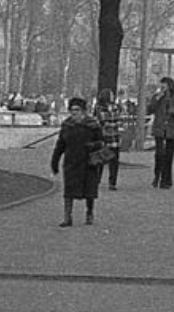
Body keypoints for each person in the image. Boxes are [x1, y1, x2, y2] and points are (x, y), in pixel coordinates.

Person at [50, 97, 103, 227]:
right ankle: (67, 217)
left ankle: (89, 212)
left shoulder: (93, 125)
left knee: (89, 190)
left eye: (77, 110)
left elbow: (101, 142)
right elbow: (60, 144)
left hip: (88, 162)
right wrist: (54, 161)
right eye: (72, 110)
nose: (74, 113)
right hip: (71, 162)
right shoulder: (67, 125)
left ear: (83, 111)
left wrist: (93, 145)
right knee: (69, 190)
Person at [147, 77, 174, 189]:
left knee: (169, 156)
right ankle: (157, 176)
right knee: (159, 154)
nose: (162, 88)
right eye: (161, 86)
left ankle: (167, 180)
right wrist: (157, 98)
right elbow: (150, 109)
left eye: (164, 86)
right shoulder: (157, 97)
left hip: (170, 129)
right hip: (159, 129)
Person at [92, 88, 122, 190]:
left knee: (114, 161)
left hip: (114, 137)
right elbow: (103, 121)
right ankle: (96, 180)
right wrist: (113, 123)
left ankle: (112, 182)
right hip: (104, 137)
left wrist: (111, 123)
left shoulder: (115, 107)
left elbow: (116, 119)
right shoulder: (99, 108)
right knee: (100, 160)